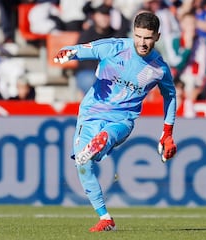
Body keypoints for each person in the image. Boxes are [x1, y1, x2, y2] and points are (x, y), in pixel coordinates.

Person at [53, 11, 177, 232]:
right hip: (91, 114)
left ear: (157, 37)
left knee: (104, 139)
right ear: (133, 33)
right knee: (82, 164)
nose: (142, 42)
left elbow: (171, 96)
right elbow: (85, 49)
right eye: (138, 36)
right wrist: (70, 53)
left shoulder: (159, 68)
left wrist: (167, 132)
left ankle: (100, 143)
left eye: (148, 37)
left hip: (122, 120)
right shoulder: (116, 47)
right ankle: (106, 219)